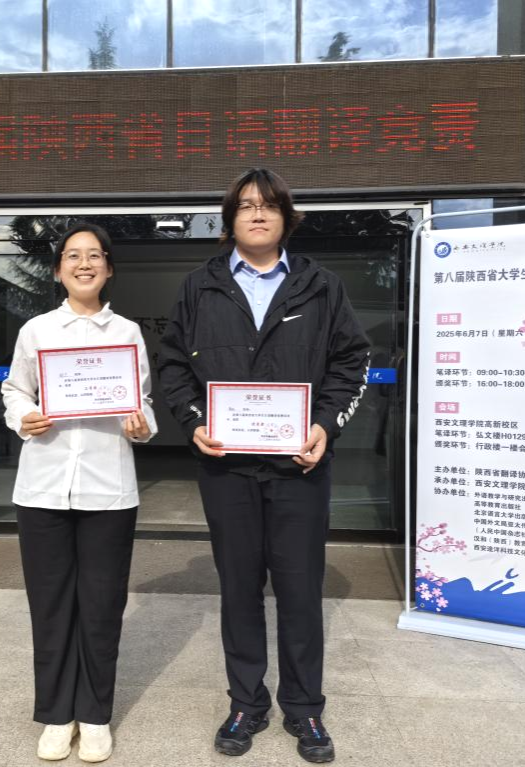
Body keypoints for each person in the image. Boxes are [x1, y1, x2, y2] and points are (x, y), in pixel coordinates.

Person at [158, 168, 370, 764]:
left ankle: (304, 708)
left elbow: (352, 361)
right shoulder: (199, 287)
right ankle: (246, 704)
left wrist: (324, 425)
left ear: (285, 218)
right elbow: (172, 364)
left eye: (269, 206)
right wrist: (193, 421)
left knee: (300, 592)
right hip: (227, 470)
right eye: (246, 206)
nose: (257, 214)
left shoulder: (320, 286)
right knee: (239, 591)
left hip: (299, 468)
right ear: (230, 219)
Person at [1, 222, 157, 763]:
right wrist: (25, 416)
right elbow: (15, 389)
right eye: (73, 255)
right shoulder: (37, 330)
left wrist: (142, 426)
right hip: (42, 487)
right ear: (58, 270)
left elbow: (142, 399)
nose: (84, 264)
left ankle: (93, 715)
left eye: (94, 256)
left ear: (109, 268)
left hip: (107, 489)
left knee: (102, 605)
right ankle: (55, 714)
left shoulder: (127, 332)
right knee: (49, 606)